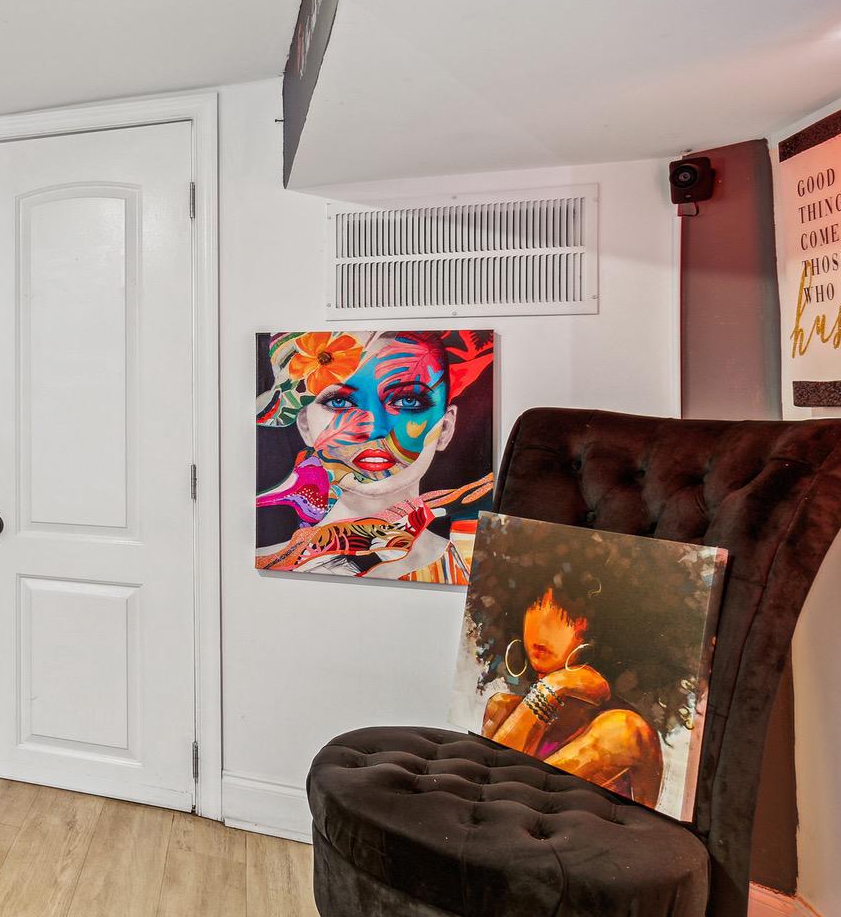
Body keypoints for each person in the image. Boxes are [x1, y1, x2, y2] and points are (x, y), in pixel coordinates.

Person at [461, 521, 712, 807]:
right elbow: (487, 797)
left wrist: (553, 688)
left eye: (565, 612)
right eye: (534, 604)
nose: (543, 624)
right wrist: (552, 688)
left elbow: (515, 794)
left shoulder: (625, 730)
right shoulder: (503, 708)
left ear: (600, 628)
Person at [255, 330, 493, 582]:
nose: (373, 428)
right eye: (339, 402)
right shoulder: (262, 567)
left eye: (408, 401)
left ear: (445, 428)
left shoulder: (487, 573)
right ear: (305, 426)